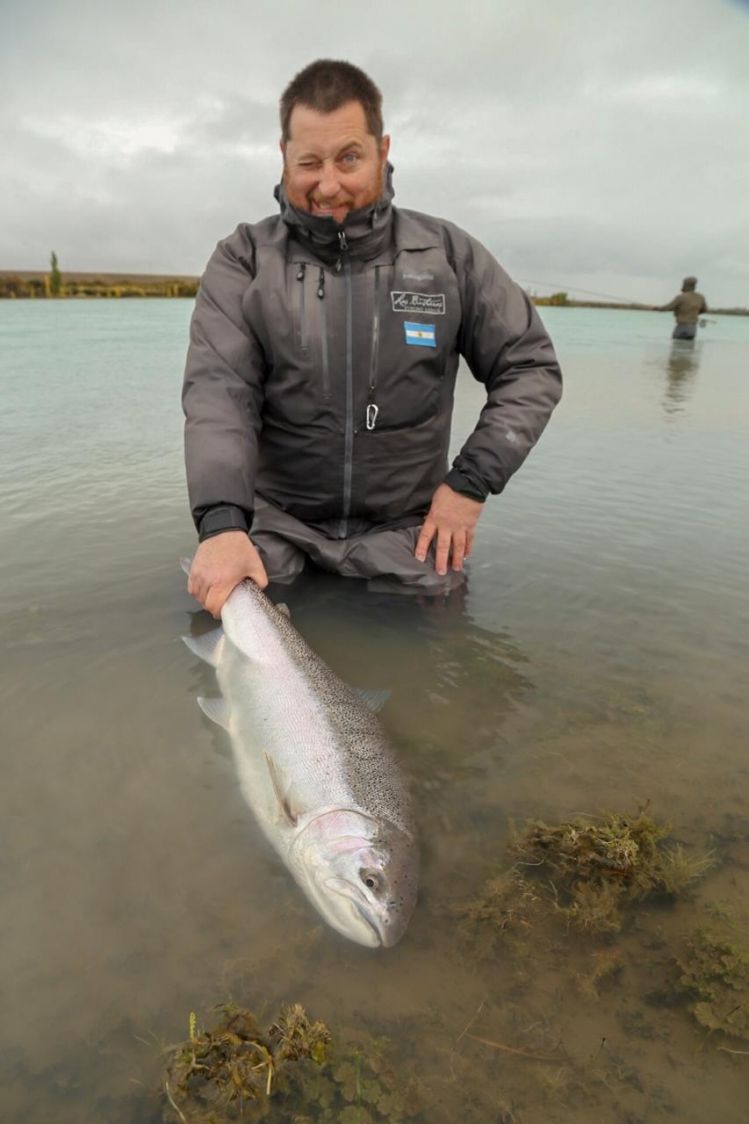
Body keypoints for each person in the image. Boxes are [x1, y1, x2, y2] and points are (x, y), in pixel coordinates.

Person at [182, 60, 562, 616]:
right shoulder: (242, 260)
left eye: (349, 158)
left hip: (409, 529)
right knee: (215, 625)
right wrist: (220, 522)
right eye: (309, 162)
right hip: (276, 527)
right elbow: (219, 393)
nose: (328, 184)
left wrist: (469, 485)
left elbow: (530, 367)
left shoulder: (448, 258)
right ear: (283, 155)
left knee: (441, 671)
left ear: (383, 151)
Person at [653, 276, 708, 341]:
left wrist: (655, 308)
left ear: (685, 285)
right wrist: (694, 313)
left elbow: (668, 307)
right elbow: (705, 310)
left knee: (676, 348)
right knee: (689, 349)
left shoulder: (681, 297)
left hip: (681, 327)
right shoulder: (700, 297)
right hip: (692, 329)